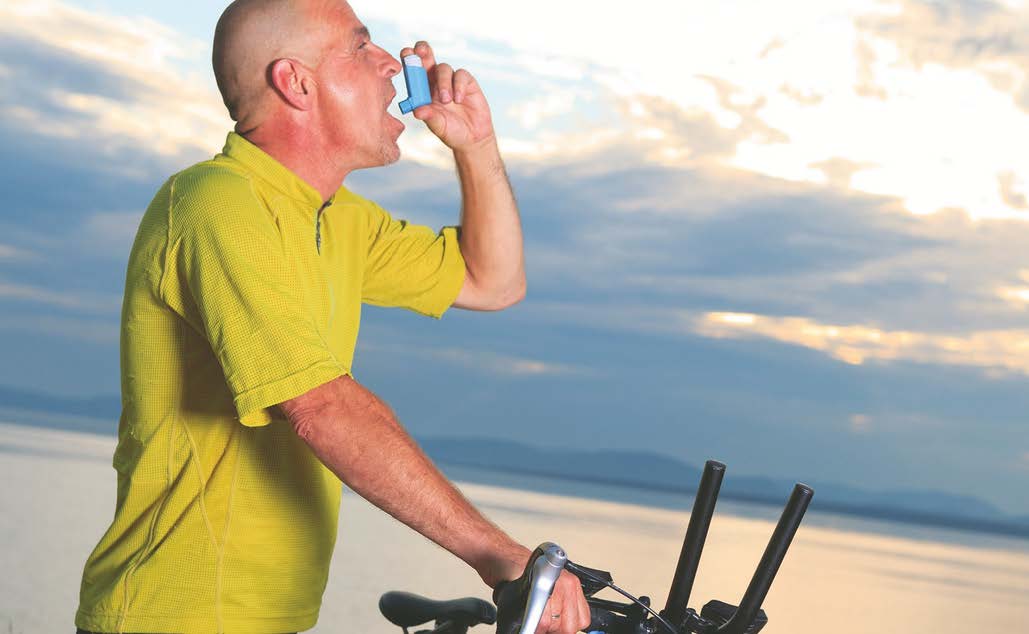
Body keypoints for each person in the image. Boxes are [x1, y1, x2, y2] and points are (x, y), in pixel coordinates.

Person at [73, 1, 590, 633]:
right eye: (362, 46)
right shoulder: (217, 203)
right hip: (171, 616)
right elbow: (322, 407)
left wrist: (476, 146)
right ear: (296, 82)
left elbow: (495, 281)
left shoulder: (338, 217)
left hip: (264, 618)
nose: (392, 67)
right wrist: (501, 556)